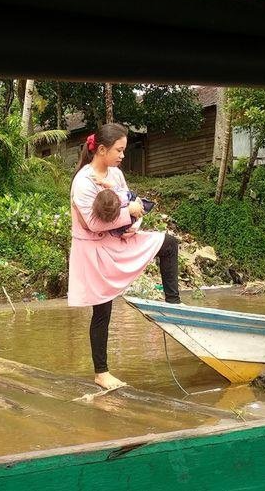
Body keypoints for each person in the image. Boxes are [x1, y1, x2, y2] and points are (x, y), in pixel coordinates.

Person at [68, 123, 181, 390]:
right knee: (102, 309)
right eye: (119, 150)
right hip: (94, 248)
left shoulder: (116, 174)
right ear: (103, 149)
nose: (122, 155)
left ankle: (174, 306)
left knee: (168, 243)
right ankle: (101, 372)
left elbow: (128, 200)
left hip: (118, 239)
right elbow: (95, 223)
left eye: (124, 150)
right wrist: (129, 211)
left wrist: (132, 212)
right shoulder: (82, 182)